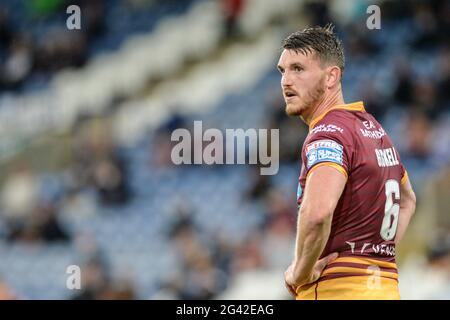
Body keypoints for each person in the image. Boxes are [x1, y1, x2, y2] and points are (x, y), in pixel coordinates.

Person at [277, 24, 416, 300]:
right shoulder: (373, 129)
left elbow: (317, 214)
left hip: (337, 290)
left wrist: (299, 273)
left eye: (298, 69)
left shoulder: (327, 133)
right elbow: (408, 199)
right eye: (283, 70)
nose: (286, 81)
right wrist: (376, 257)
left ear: (332, 76)